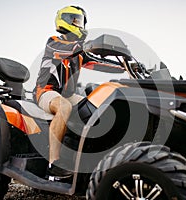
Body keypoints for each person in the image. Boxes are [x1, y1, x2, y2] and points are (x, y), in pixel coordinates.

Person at [34, 5, 124, 179]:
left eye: (79, 21)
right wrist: (93, 44)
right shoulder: (54, 42)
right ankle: (54, 164)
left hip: (67, 95)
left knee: (98, 106)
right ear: (64, 20)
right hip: (45, 92)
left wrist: (124, 66)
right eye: (74, 20)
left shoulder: (80, 52)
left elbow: (102, 64)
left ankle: (88, 157)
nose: (78, 24)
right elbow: (70, 50)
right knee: (65, 107)